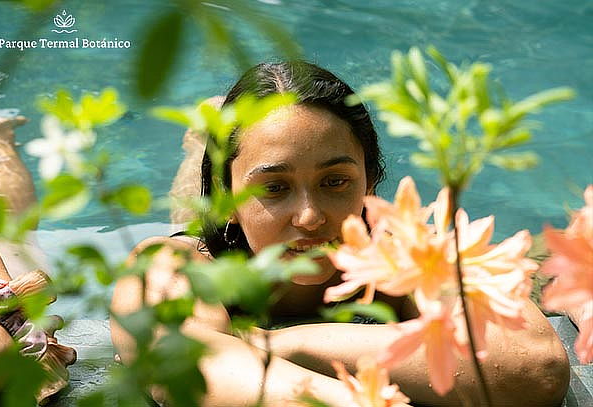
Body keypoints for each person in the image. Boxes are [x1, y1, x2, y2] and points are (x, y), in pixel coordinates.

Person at [110, 61, 570, 406]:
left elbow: (535, 366)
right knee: (193, 196)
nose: (310, 218)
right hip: (220, 235)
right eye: (275, 187)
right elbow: (181, 367)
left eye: (336, 181)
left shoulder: (406, 253)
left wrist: (286, 343)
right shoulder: (176, 265)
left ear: (369, 182)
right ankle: (200, 146)